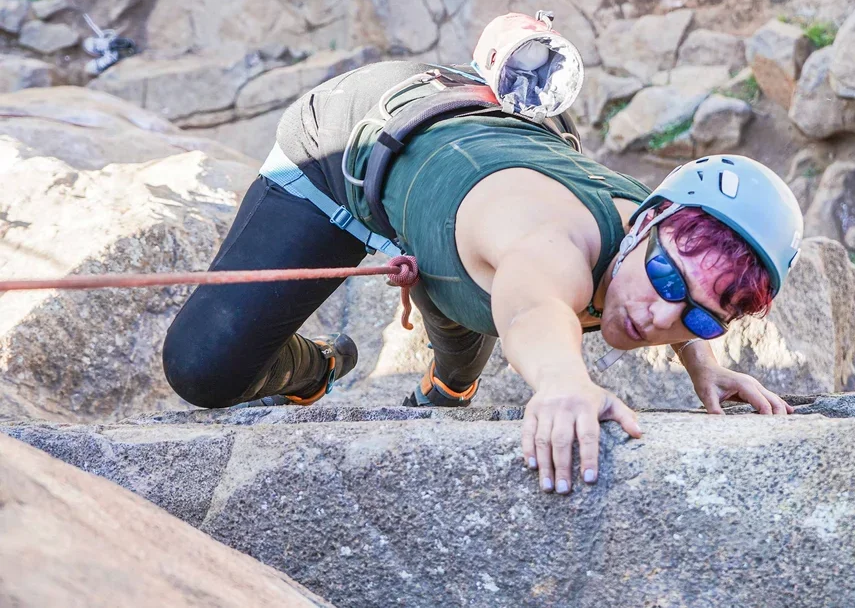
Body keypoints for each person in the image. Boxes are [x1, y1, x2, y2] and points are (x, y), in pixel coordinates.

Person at [163, 28, 803, 497]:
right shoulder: (551, 241)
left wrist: (705, 365)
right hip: (347, 149)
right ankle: (321, 366)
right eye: (665, 278)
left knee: (465, 316)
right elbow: (530, 305)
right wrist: (561, 382)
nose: (662, 315)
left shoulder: (662, 233)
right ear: (644, 223)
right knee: (203, 368)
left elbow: (687, 285)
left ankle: (450, 379)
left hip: (471, 179)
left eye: (701, 317)